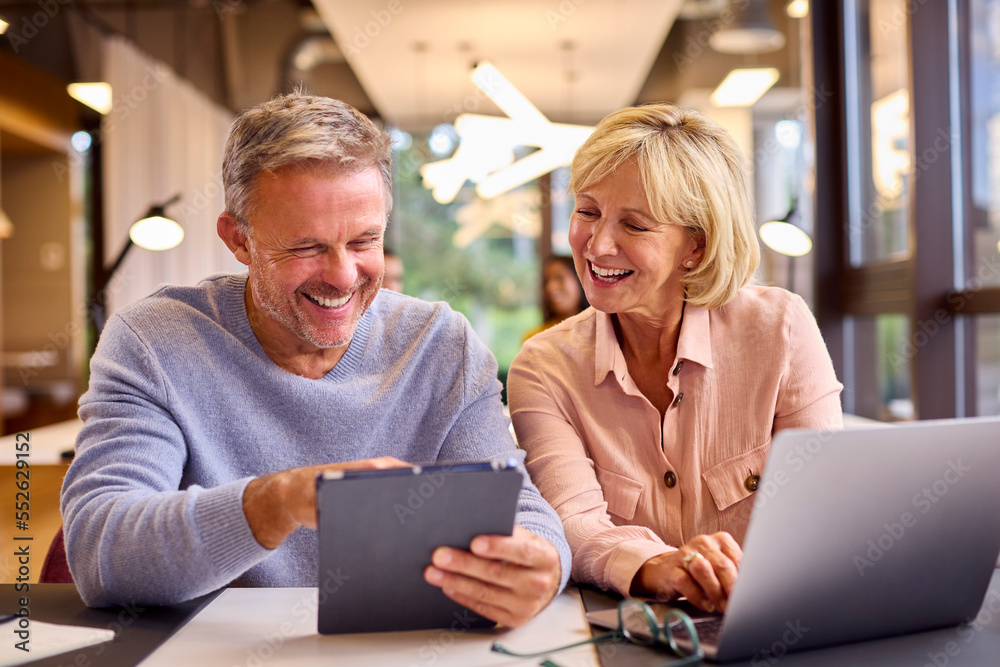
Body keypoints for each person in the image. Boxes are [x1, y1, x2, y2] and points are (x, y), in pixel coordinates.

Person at [61, 93, 569, 628]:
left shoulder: (442, 345)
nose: (344, 276)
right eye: (307, 247)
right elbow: (102, 552)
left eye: (364, 240)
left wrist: (540, 564)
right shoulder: (154, 343)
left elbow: (522, 509)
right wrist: (278, 501)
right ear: (239, 239)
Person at [507, 103, 842, 615]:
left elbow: (823, 510)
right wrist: (661, 567)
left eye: (635, 226)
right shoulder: (544, 366)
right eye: (587, 211)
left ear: (696, 246)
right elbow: (570, 521)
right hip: (631, 635)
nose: (597, 245)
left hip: (782, 623)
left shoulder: (781, 329)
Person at [522, 255, 589, 341]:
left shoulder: (602, 331)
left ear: (580, 279)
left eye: (559, 278)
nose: (550, 288)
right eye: (546, 281)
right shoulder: (534, 338)